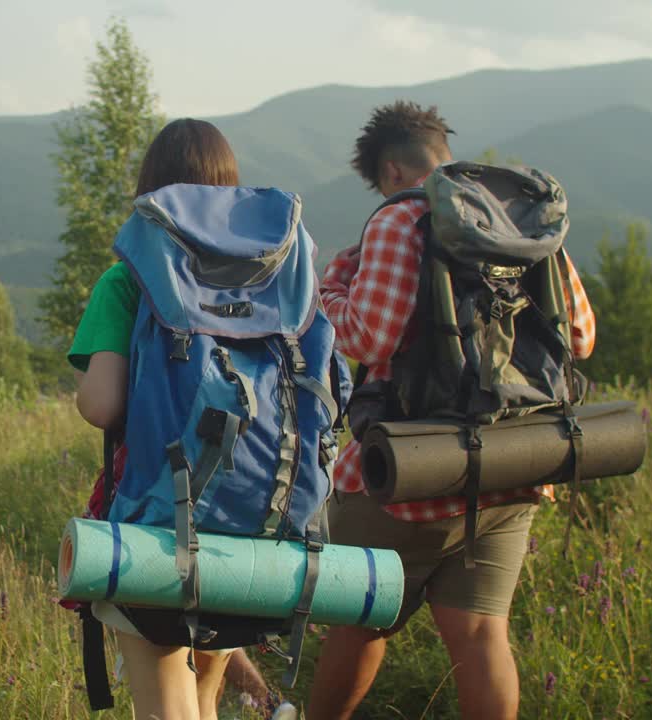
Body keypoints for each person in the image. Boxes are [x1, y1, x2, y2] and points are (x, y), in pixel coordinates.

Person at [306, 102, 596, 720]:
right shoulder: (518, 215)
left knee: (360, 629)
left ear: (389, 170)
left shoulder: (400, 218)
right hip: (512, 463)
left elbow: (369, 337)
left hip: (407, 473)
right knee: (482, 635)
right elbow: (580, 336)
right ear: (441, 151)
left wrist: (329, 289)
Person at [72, 118, 325, 720]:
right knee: (205, 700)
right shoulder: (281, 272)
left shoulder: (128, 276)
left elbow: (101, 405)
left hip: (160, 520)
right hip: (258, 520)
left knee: (167, 708)